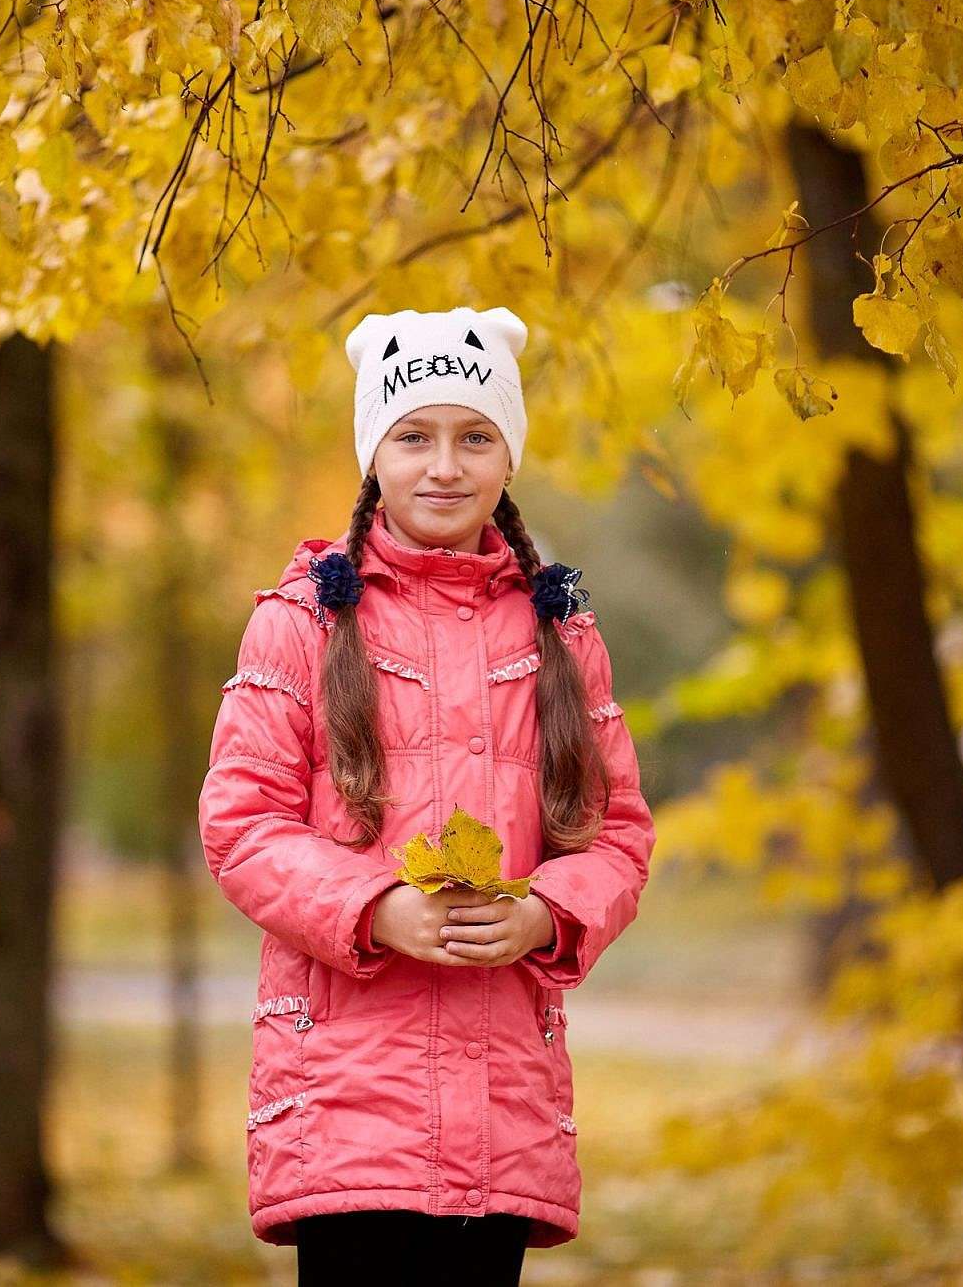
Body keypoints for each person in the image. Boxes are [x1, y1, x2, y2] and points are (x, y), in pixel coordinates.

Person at [198, 304, 657, 1285]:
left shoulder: (560, 638)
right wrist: (372, 906)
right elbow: (239, 825)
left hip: (500, 1108)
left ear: (506, 456)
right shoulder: (300, 625)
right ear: (374, 453)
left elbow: (616, 832)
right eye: (413, 436)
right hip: (344, 1100)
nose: (442, 465)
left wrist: (548, 913)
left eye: (473, 436)